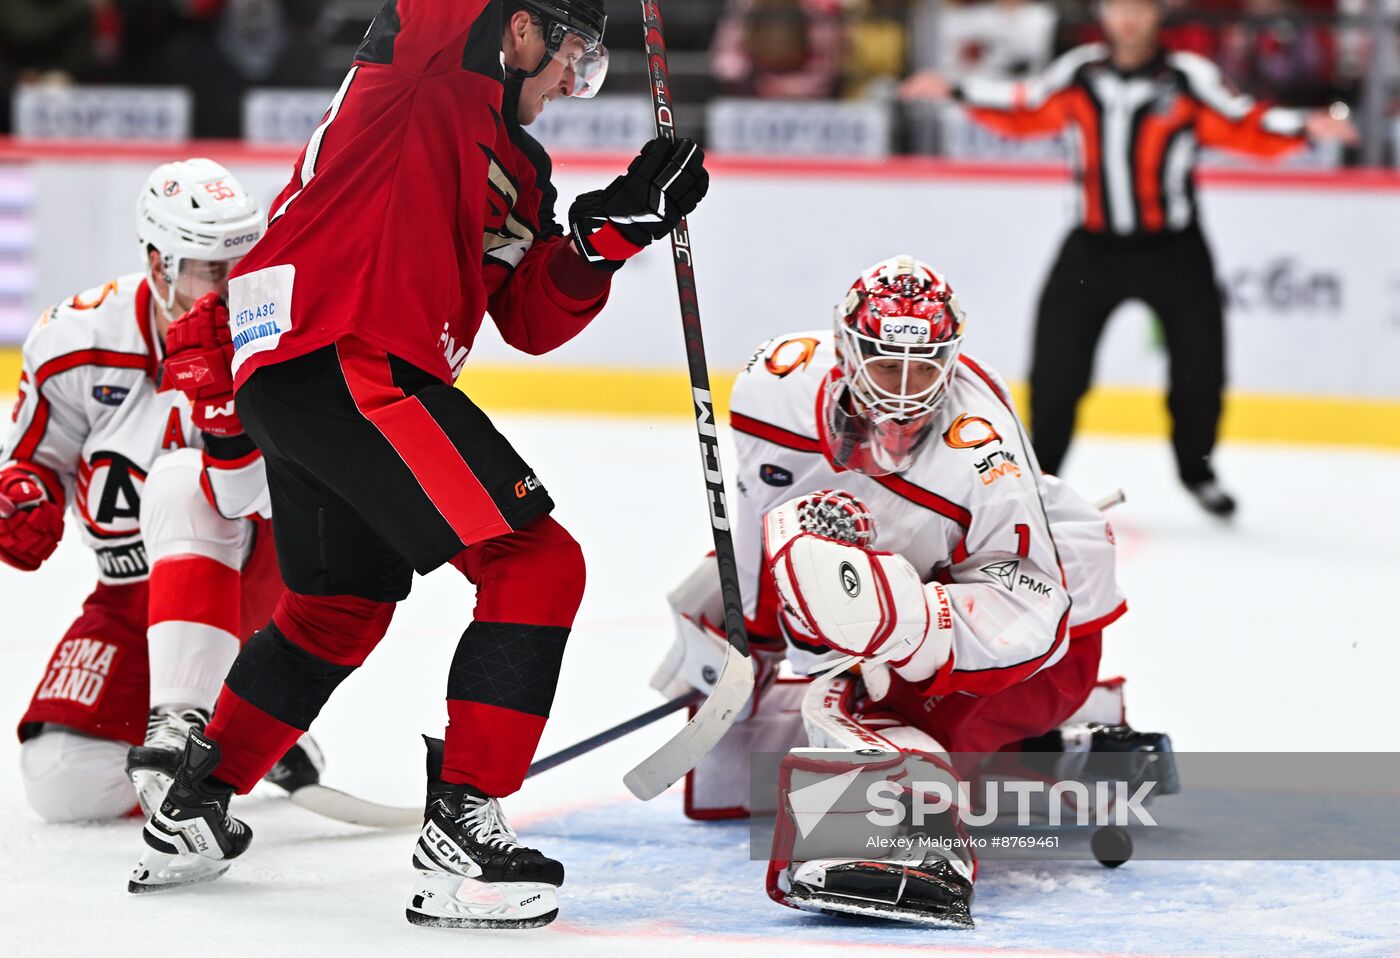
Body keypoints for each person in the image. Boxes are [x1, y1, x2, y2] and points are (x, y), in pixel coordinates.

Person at [127, 0, 709, 932]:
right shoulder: (434, 64)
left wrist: (614, 232)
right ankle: (462, 836)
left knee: (337, 605)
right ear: (518, 31)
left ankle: (192, 804)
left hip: (301, 372)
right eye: (573, 57)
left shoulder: (518, 165)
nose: (574, 84)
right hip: (350, 351)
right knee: (538, 561)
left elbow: (523, 316)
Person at [652, 255, 1169, 927]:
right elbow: (760, 512)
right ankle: (1062, 750)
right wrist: (749, 635)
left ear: (950, 358)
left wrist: (905, 627)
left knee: (855, 705)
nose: (903, 390)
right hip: (937, 585)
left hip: (1046, 641)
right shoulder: (773, 385)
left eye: (923, 366)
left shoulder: (983, 455)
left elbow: (1032, 616)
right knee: (750, 657)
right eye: (884, 364)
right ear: (845, 348)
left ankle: (913, 851)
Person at [899, 0, 1358, 517]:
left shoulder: (1187, 77)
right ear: (1104, 14)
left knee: (1199, 369)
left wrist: (1302, 126)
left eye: (1139, 7)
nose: (1129, 19)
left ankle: (1198, 472)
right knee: (1056, 368)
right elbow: (1026, 107)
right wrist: (957, 90)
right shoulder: (1080, 73)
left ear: (1157, 14)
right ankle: (1038, 477)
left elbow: (1240, 121)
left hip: (1173, 248)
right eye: (1119, 7)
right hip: (1093, 247)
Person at [0, 158, 313, 822]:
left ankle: (220, 707)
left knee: (182, 485)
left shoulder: (282, 335)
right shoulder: (76, 339)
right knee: (61, 781)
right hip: (129, 591)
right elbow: (36, 458)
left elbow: (292, 491)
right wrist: (25, 494)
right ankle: (232, 731)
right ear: (157, 261)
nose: (234, 287)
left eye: (244, 262)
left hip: (249, 577)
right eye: (212, 268)